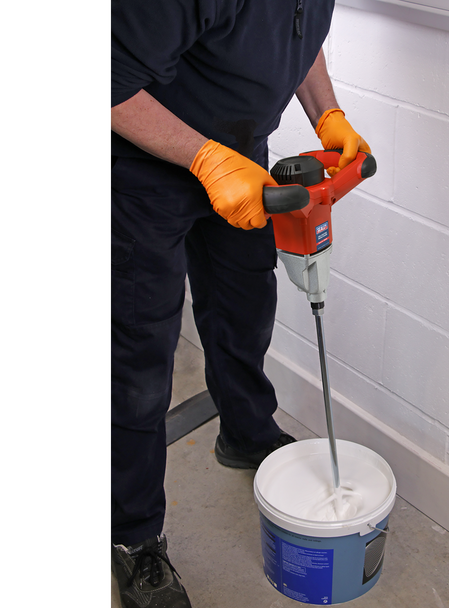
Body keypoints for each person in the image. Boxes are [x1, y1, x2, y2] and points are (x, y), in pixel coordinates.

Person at [108, 0, 371, 605]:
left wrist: (327, 112)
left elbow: (298, 33)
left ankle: (247, 433)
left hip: (243, 159)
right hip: (142, 171)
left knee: (244, 309)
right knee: (138, 364)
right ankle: (133, 534)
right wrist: (203, 158)